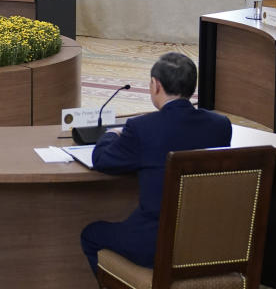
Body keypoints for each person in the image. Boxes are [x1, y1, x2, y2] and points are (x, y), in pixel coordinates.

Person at [80, 52, 231, 276]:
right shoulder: (221, 125)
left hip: (155, 244)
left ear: (155, 85)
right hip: (209, 242)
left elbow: (102, 160)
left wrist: (112, 134)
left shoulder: (141, 129)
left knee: (91, 235)